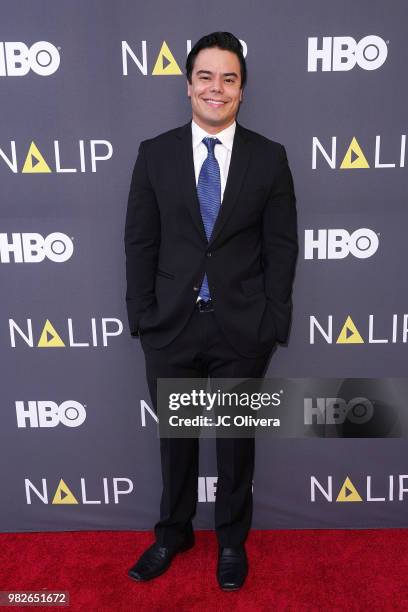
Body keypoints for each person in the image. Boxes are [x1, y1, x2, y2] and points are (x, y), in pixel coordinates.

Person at [124, 31, 298, 591]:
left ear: (242, 91)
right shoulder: (154, 153)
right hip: (170, 326)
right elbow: (140, 243)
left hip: (241, 329)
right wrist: (144, 318)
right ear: (188, 85)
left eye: (229, 78)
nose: (216, 88)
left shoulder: (269, 158)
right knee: (175, 441)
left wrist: (272, 322)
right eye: (206, 76)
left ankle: (230, 541)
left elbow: (281, 247)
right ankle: (173, 533)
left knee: (233, 444)